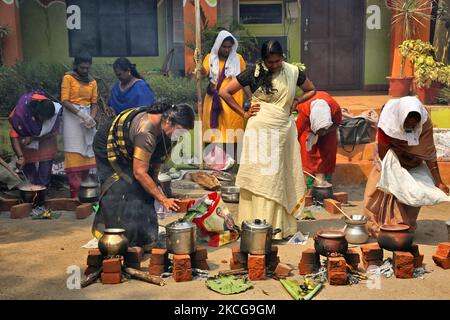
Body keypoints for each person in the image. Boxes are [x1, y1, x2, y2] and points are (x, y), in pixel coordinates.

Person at [219, 40, 316, 239]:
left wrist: (297, 101)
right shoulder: (253, 72)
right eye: (270, 62)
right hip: (259, 132)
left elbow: (311, 90)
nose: (274, 65)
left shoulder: (293, 72)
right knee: (260, 177)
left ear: (283, 58)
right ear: (263, 60)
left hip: (282, 132)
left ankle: (279, 227)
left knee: (278, 176)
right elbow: (225, 92)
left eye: (277, 61)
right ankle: (255, 226)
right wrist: (244, 112)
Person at [92, 103, 195, 249]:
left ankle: (145, 239)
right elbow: (139, 172)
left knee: (145, 191)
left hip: (133, 151)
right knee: (119, 189)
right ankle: (117, 241)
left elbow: (155, 163)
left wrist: (155, 184)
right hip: (110, 147)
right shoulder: (146, 131)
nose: (181, 135)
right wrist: (163, 199)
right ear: (168, 121)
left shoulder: (167, 132)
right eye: (180, 130)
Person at [364, 96, 449, 236]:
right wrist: (394, 172)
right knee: (383, 187)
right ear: (400, 118)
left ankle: (404, 226)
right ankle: (376, 225)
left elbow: (428, 152)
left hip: (412, 158)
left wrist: (438, 182)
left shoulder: (425, 123)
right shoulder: (389, 119)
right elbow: (384, 150)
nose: (410, 127)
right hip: (388, 155)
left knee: (413, 191)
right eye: (407, 124)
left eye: (413, 125)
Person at [200, 30, 249, 155]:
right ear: (218, 45)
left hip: (232, 100)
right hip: (213, 100)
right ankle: (211, 161)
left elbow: (244, 80)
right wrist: (198, 64)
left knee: (231, 131)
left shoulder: (238, 59)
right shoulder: (209, 58)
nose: (226, 50)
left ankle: (231, 160)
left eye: (229, 47)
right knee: (213, 131)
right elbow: (204, 72)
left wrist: (251, 97)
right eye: (224, 47)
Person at [60, 52, 98, 198]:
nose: (85, 71)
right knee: (74, 150)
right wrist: (79, 114)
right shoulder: (68, 78)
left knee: (88, 149)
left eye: (87, 68)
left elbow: (94, 103)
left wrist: (91, 118)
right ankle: (75, 193)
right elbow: (64, 100)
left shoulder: (93, 82)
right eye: (82, 68)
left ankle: (86, 190)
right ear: (76, 65)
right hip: (71, 116)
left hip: (87, 115)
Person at [9, 91, 62, 187]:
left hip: (46, 143)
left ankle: (42, 192)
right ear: (36, 114)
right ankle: (31, 194)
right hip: (26, 145)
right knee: (29, 177)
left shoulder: (52, 110)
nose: (44, 121)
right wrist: (20, 157)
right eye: (43, 118)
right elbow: (13, 136)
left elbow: (54, 132)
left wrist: (34, 138)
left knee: (44, 176)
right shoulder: (21, 115)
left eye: (47, 119)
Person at [296, 91, 342, 191]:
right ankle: (309, 187)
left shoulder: (334, 108)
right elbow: (298, 130)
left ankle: (327, 184)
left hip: (330, 129)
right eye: (319, 131)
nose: (321, 134)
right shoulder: (303, 108)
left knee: (328, 153)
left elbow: (337, 123)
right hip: (308, 129)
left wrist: (325, 131)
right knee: (308, 155)